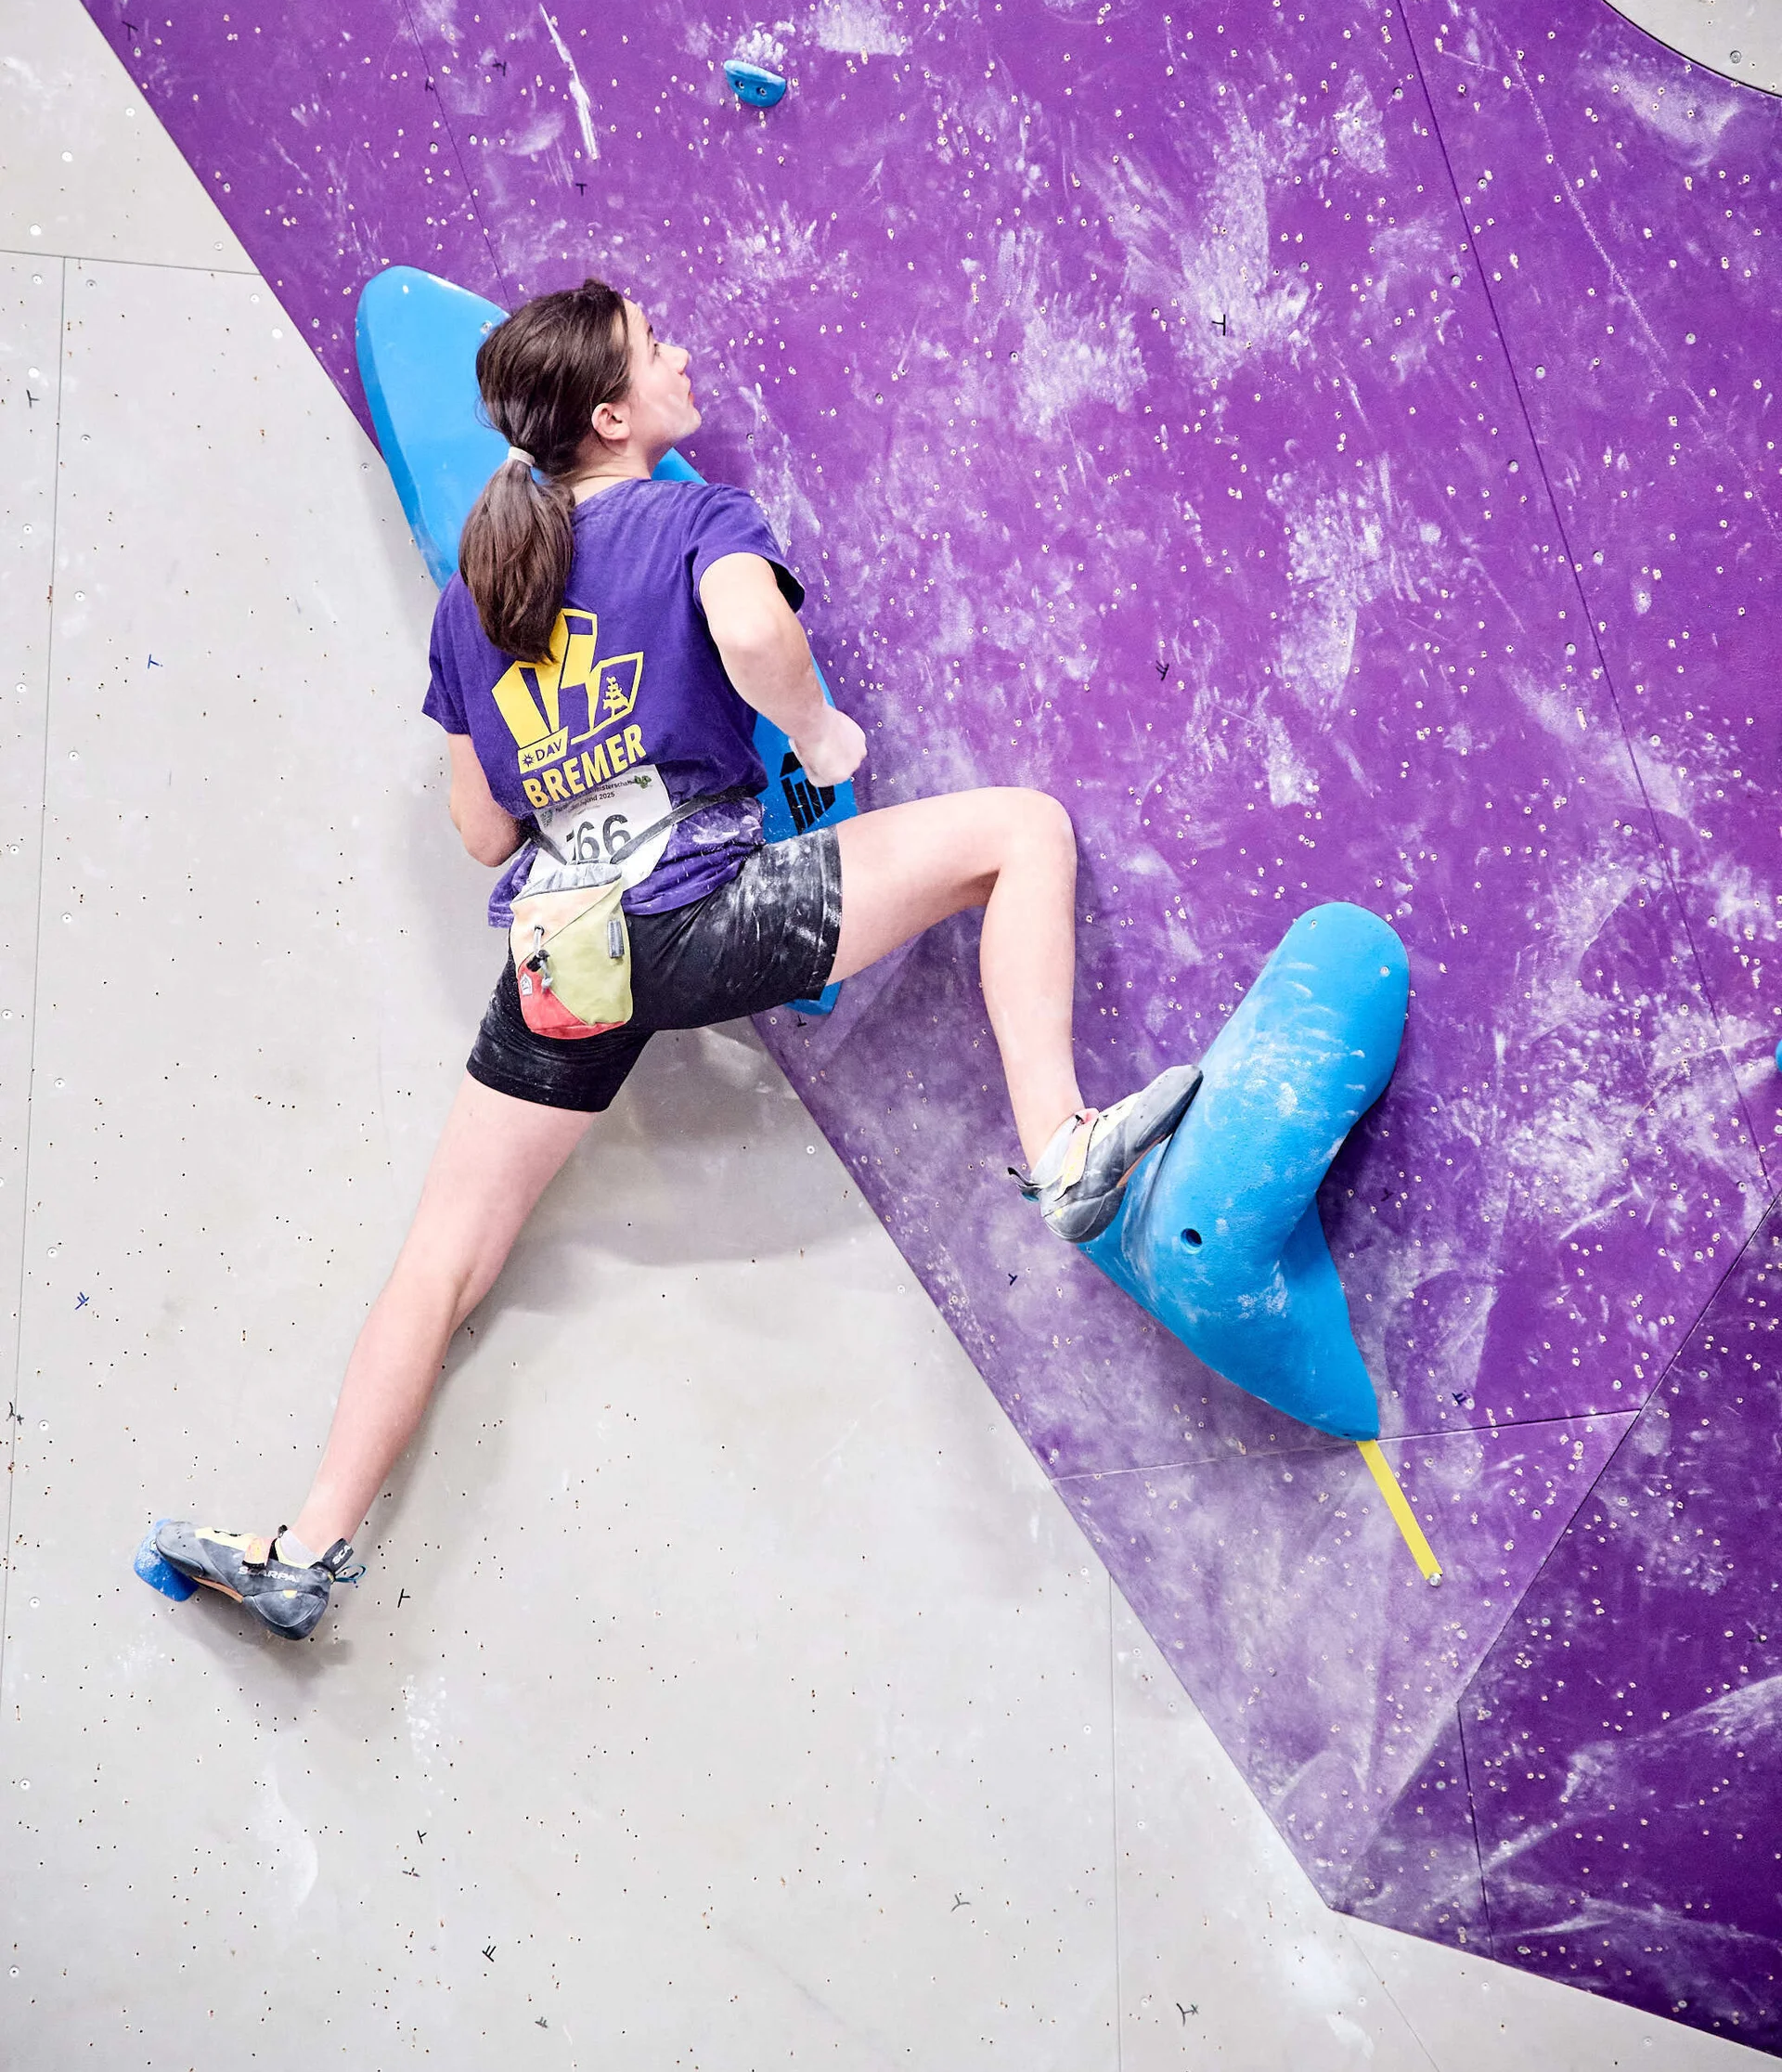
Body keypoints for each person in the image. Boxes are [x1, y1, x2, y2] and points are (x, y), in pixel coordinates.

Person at [154, 280, 1199, 1638]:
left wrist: (582, 760)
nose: (680, 356)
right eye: (657, 348)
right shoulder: (694, 517)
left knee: (443, 1256)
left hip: (559, 955)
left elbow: (481, 830)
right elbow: (758, 634)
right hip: (699, 912)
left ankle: (309, 1546)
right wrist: (820, 738)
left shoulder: (477, 598)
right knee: (1022, 832)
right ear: (611, 412)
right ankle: (1060, 1139)